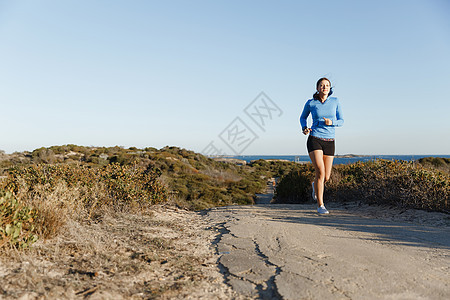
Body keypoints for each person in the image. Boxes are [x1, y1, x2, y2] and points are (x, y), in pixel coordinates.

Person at [299, 77, 344, 214]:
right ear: (317, 88)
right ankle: (320, 205)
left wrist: (332, 123)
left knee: (326, 177)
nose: (325, 87)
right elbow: (302, 117)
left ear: (330, 88)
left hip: (330, 141)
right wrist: (304, 128)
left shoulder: (335, 101)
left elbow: (341, 121)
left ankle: (315, 185)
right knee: (320, 171)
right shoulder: (311, 103)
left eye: (327, 85)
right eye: (322, 85)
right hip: (315, 139)